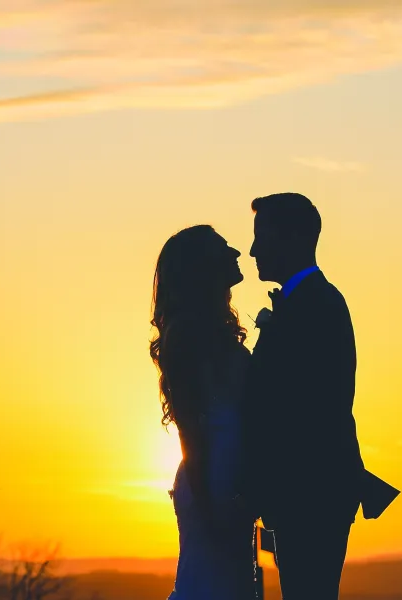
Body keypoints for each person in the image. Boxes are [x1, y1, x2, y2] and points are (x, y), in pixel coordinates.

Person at [242, 192, 365, 600]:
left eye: (263, 236)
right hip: (301, 494)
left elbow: (311, 409)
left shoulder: (320, 306)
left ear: (293, 237)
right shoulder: (303, 304)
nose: (254, 249)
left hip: (313, 495)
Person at [149, 225, 256, 600]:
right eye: (223, 248)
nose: (236, 253)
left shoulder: (213, 331)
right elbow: (190, 431)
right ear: (202, 267)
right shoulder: (188, 336)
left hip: (227, 474)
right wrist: (212, 505)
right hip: (211, 477)